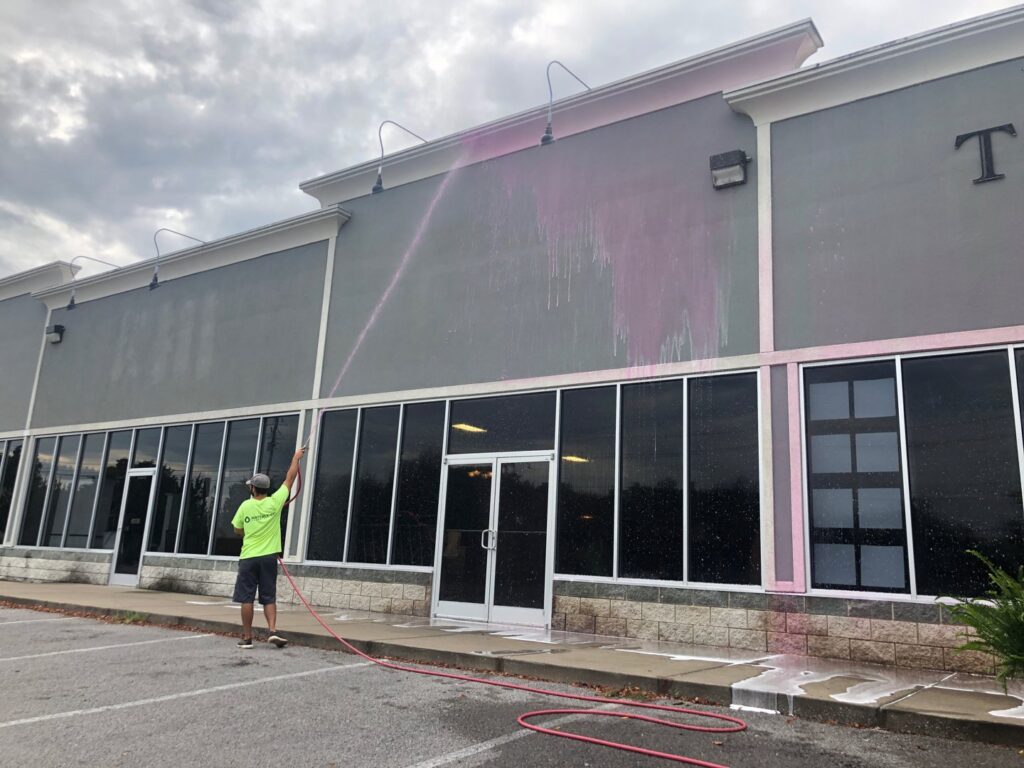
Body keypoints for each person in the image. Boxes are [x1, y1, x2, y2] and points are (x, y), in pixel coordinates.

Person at [231, 447, 305, 649]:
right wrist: (295, 457)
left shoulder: (245, 506)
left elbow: (237, 530)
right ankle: (272, 631)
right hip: (269, 558)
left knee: (246, 597)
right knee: (268, 596)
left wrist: (247, 532)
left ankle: (247, 637)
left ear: (253, 489)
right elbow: (289, 480)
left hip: (248, 558)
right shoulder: (275, 502)